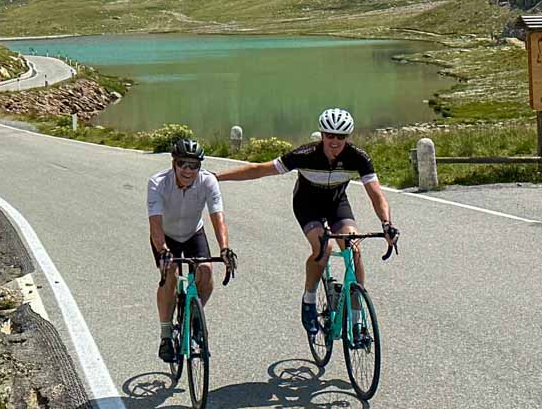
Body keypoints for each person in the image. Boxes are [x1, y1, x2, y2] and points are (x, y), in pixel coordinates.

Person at [216, 108, 399, 342]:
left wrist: (386, 224)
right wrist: (218, 177)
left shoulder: (358, 157)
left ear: (348, 138)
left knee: (354, 249)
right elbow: (259, 169)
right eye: (329, 135)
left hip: (336, 204)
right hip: (307, 204)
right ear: (322, 135)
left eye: (340, 137)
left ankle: (357, 321)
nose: (334, 142)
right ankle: (309, 299)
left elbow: (376, 195)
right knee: (323, 249)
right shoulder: (305, 154)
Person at [147, 138, 236, 363]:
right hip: (165, 237)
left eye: (194, 165)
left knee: (205, 272)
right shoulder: (157, 183)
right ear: (174, 163)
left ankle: (193, 315)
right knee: (170, 276)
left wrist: (224, 248)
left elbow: (218, 219)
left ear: (200, 167)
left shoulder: (208, 182)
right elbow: (155, 224)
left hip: (193, 233)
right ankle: (166, 335)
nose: (188, 170)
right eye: (183, 164)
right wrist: (163, 250)